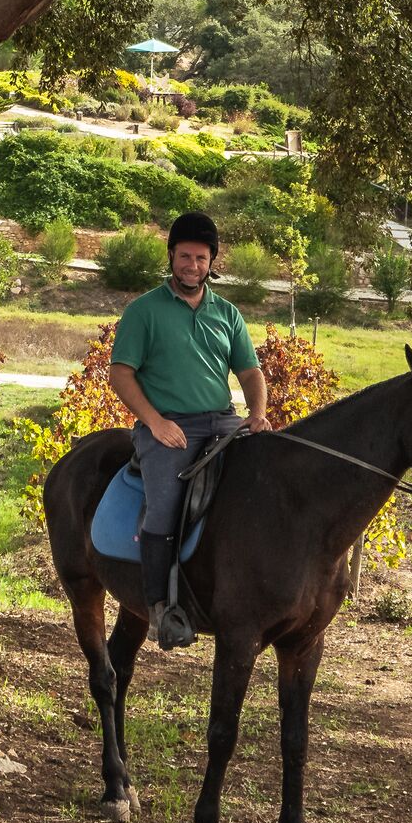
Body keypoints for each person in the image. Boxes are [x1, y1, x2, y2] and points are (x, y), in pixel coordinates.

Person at [107, 211, 267, 646]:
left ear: (211, 261)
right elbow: (121, 374)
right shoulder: (144, 311)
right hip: (167, 429)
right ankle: (162, 607)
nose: (191, 265)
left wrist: (257, 412)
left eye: (200, 257)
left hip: (223, 422)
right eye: (184, 256)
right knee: (164, 507)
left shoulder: (228, 314)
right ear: (171, 256)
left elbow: (250, 373)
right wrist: (155, 422)